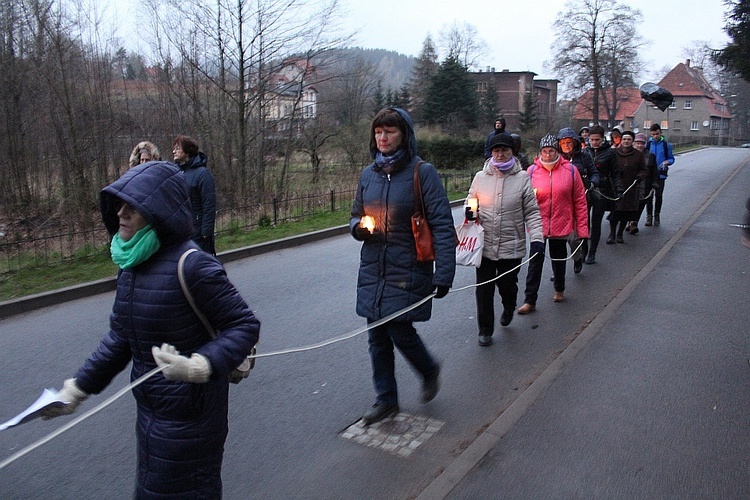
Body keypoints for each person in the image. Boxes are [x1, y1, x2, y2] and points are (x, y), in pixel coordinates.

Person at [42, 162, 260, 498]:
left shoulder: (194, 264)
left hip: (194, 421)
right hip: (151, 416)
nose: (121, 214)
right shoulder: (132, 266)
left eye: (132, 207)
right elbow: (119, 340)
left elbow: (244, 325)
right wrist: (76, 390)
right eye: (119, 205)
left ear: (158, 213)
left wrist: (199, 366)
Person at [350, 107, 456, 425]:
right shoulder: (368, 174)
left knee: (399, 330)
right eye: (378, 132)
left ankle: (429, 369)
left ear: (404, 135)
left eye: (390, 132)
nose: (383, 138)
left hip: (408, 266)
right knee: (376, 338)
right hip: (373, 267)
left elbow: (441, 223)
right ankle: (386, 400)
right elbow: (355, 215)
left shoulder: (422, 173)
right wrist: (359, 228)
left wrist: (445, 272)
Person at [466, 132, 543, 346]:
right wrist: (471, 211)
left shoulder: (522, 178)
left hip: (512, 244)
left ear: (512, 152)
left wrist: (537, 240)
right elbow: (471, 200)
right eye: (496, 150)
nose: (500, 154)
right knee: (484, 289)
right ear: (491, 153)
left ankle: (509, 306)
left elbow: (532, 212)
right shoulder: (480, 177)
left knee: (507, 285)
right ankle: (485, 329)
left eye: (504, 150)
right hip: (485, 245)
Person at [518, 134, 589, 313]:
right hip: (538, 223)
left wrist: (581, 229)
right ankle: (530, 300)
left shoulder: (570, 170)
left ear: (557, 152)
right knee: (535, 261)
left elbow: (580, 201)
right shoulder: (532, 171)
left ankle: (559, 288)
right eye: (544, 151)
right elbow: (522, 199)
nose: (548, 155)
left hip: (561, 221)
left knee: (558, 258)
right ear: (539, 152)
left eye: (551, 151)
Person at [558, 127, 600, 273]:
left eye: (569, 142)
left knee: (575, 236)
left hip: (580, 200)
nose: (567, 145)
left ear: (575, 142)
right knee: (559, 238)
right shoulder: (555, 158)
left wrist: (593, 183)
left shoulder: (584, 156)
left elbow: (594, 172)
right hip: (560, 202)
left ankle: (578, 257)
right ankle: (558, 269)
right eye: (563, 142)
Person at [585, 125, 624, 264]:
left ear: (602, 139)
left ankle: (592, 252)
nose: (594, 142)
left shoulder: (610, 153)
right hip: (587, 190)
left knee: (596, 222)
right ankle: (583, 250)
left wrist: (619, 190)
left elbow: (615, 174)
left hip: (602, 191)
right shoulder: (585, 152)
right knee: (584, 222)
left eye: (597, 139)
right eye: (592, 139)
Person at [173, 135, 216, 255]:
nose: (174, 151)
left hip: (197, 233)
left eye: (178, 148)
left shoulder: (203, 174)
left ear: (187, 152)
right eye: (174, 148)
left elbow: (209, 204)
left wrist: (206, 233)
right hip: (181, 232)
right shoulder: (175, 172)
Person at [607, 131, 648, 243]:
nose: (626, 141)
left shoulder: (638, 155)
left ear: (632, 141)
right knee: (615, 212)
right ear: (621, 140)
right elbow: (607, 166)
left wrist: (639, 176)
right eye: (624, 139)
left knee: (625, 212)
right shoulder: (613, 153)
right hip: (615, 186)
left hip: (630, 186)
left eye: (629, 139)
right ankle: (612, 234)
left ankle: (620, 234)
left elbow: (644, 169)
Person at [629, 132, 659, 234]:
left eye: (641, 143)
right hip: (631, 184)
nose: (639, 145)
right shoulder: (629, 155)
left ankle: (634, 222)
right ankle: (629, 221)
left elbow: (654, 171)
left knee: (641, 204)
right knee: (630, 204)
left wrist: (655, 183)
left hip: (645, 184)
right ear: (634, 143)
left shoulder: (650, 156)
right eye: (637, 143)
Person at [645, 123, 675, 226]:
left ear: (661, 132)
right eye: (653, 134)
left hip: (661, 174)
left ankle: (657, 215)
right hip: (649, 174)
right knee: (648, 196)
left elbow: (671, 158)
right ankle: (649, 216)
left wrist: (667, 162)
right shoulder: (648, 144)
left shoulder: (666, 145)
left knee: (658, 196)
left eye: (657, 134)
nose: (655, 136)